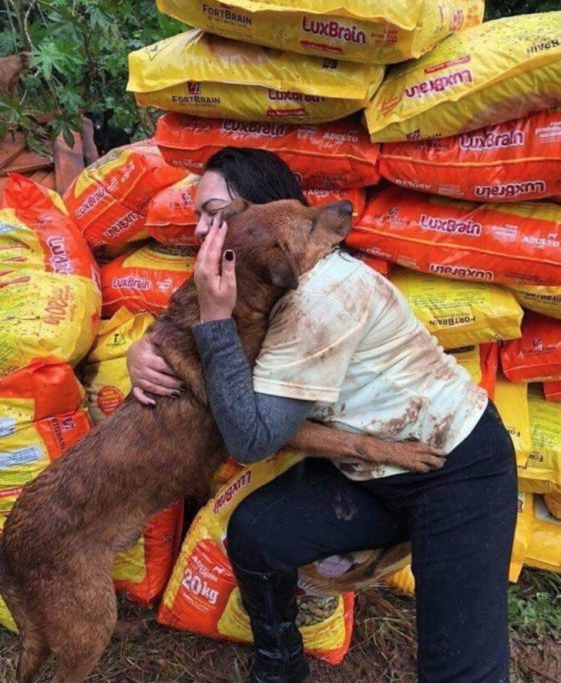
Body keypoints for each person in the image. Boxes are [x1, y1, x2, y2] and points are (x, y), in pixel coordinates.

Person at [128, 147, 517, 683]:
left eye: (215, 214)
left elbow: (252, 438)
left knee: (460, 670)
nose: (199, 230)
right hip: (371, 475)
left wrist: (215, 324)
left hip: (454, 470)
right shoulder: (257, 270)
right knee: (257, 534)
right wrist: (140, 351)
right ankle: (280, 660)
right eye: (200, 215)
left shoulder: (321, 298)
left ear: (262, 216)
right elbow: (175, 324)